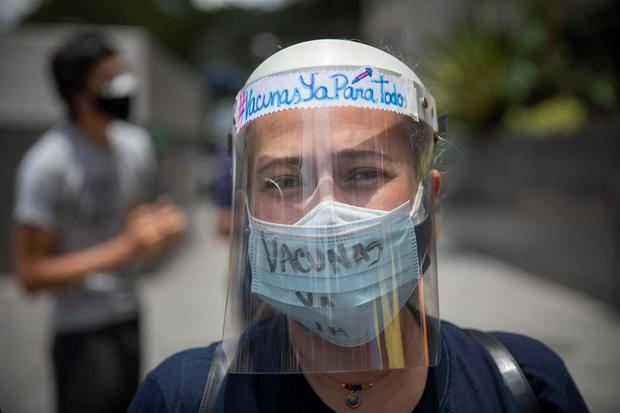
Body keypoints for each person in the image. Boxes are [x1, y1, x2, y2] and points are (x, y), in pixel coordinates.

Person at [128, 39, 588, 412]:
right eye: (285, 181)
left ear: (427, 197)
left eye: (365, 173)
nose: (325, 212)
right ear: (249, 212)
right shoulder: (184, 397)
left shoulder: (524, 385)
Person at [13, 31, 186, 413]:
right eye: (109, 79)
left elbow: (139, 219)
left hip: (128, 314)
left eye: (124, 74)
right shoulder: (47, 165)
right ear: (76, 94)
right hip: (79, 330)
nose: (125, 87)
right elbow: (30, 274)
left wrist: (164, 225)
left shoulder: (135, 145)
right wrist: (124, 248)